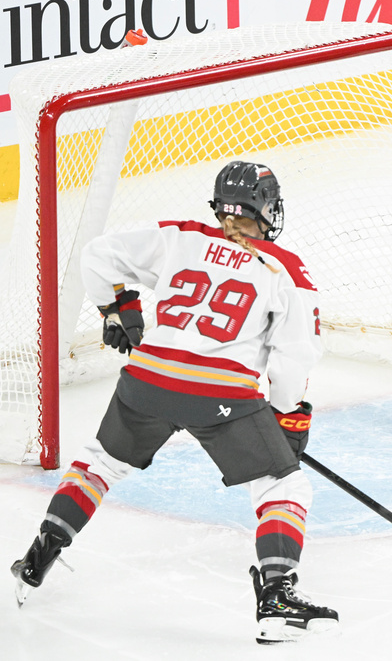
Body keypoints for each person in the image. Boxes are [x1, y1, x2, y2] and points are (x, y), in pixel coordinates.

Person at [10, 161, 339, 644]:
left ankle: (40, 555)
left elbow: (98, 255)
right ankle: (277, 599)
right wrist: (290, 414)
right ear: (267, 208)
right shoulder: (286, 269)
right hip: (221, 394)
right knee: (281, 487)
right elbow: (293, 357)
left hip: (147, 380)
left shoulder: (180, 237)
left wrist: (118, 308)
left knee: (99, 465)